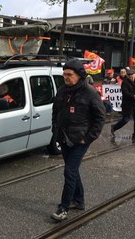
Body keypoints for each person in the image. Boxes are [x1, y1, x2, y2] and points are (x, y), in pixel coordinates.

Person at [51, 59, 106, 222]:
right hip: (64, 137)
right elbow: (56, 110)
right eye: (64, 75)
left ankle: (63, 207)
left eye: (69, 75)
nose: (66, 78)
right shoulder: (62, 90)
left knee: (69, 171)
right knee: (72, 170)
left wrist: (88, 138)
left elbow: (100, 117)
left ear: (79, 75)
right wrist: (55, 127)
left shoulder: (90, 92)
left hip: (80, 139)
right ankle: (79, 200)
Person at [111, 69, 135, 142]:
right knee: (125, 119)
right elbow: (125, 92)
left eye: (131, 74)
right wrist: (133, 96)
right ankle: (114, 127)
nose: (130, 76)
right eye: (129, 75)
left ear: (134, 74)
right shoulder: (125, 82)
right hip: (127, 104)